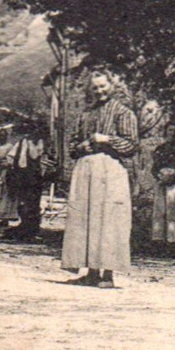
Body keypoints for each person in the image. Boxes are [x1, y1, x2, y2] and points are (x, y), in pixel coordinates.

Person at [61, 71, 138, 289]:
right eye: (95, 87)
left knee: (109, 219)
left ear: (112, 85)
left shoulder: (123, 112)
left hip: (110, 169)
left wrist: (107, 139)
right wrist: (81, 146)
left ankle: (108, 274)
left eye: (103, 86)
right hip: (86, 169)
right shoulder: (86, 114)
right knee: (86, 218)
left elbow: (132, 144)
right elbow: (72, 145)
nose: (99, 91)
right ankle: (91, 272)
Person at [1, 118, 51, 241]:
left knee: (33, 203)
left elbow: (37, 156)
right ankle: (25, 227)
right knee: (23, 202)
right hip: (23, 175)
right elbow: (11, 156)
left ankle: (32, 228)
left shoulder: (42, 143)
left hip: (35, 176)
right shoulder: (23, 142)